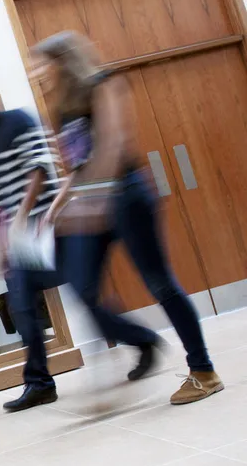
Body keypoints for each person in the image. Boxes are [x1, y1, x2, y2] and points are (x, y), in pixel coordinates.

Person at [31, 30, 222, 405]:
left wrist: (93, 203)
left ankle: (203, 371)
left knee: (159, 283)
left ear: (62, 62)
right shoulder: (61, 110)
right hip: (95, 200)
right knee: (82, 286)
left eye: (40, 64)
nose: (36, 72)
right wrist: (59, 208)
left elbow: (113, 145)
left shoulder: (104, 84)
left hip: (128, 195)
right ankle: (141, 342)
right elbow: (77, 168)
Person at [0, 78, 65, 411]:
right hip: (21, 239)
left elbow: (40, 170)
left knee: (87, 293)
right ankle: (40, 384)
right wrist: (1, 245)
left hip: (49, 226)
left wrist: (22, 217)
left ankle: (141, 340)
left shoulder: (19, 119)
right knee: (21, 307)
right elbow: (0, 202)